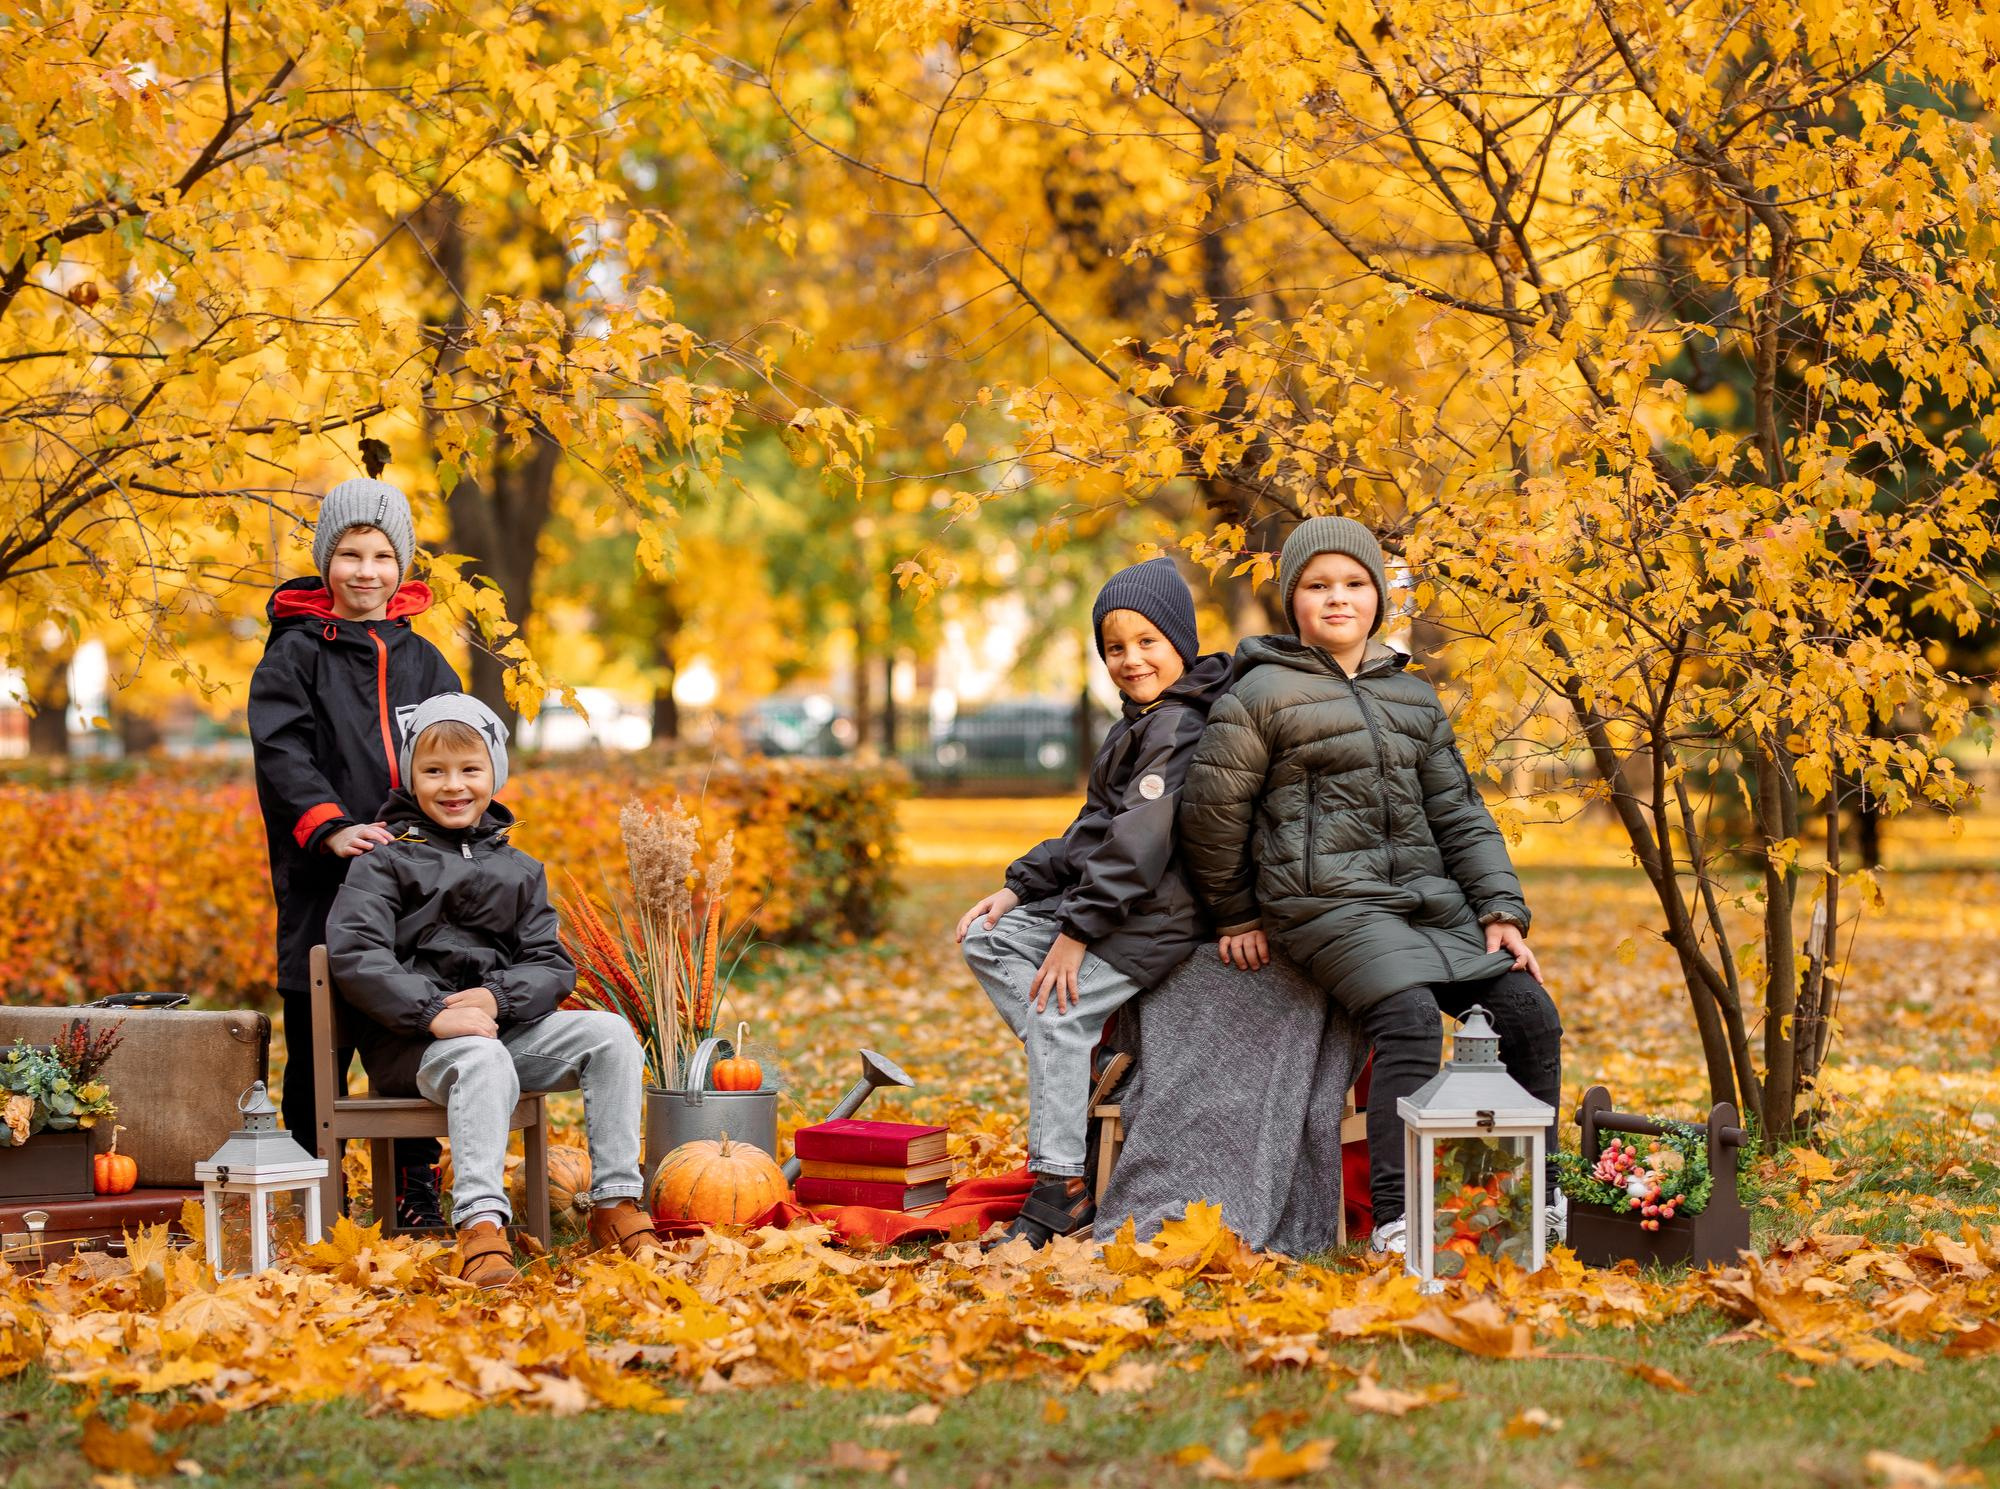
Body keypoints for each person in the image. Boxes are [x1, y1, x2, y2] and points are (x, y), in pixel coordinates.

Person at [1179, 516, 1563, 1256]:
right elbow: (1213, 812)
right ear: (1292, 600)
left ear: (1379, 598)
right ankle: (1397, 1216)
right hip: (1324, 902)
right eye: (1318, 585)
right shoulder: (1260, 693)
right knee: (1411, 1017)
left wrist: (1499, 910)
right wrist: (1234, 913)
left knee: (1528, 1013)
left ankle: (1534, 1198)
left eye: (1355, 583)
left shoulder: (1411, 696)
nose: (1338, 598)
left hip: (1428, 902)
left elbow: (1458, 812)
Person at [325, 695, 660, 1285]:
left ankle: (614, 1203)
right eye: (434, 770)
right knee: (481, 1057)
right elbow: (358, 954)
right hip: (416, 1045)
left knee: (610, 1035)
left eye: (469, 769)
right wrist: (432, 1012)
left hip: (502, 1031)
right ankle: (480, 1225)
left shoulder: (520, 869)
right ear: (411, 776)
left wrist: (496, 999)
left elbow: (549, 963)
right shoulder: (384, 861)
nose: (453, 785)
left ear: (495, 773)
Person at [957, 557, 1232, 1247]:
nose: (1131, 659)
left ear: (1180, 641)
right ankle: (1083, 1059)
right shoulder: (1137, 723)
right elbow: (1091, 832)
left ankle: (1061, 1188)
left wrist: (1074, 934)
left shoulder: (1180, 727)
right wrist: (1019, 886)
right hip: (1111, 905)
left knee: (1057, 1014)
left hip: (1155, 917)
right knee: (986, 937)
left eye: (1147, 641)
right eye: (1114, 647)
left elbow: (1136, 845)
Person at [248, 477, 459, 1229]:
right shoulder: (295, 654)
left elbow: (455, 753)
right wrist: (331, 825)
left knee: (408, 1032)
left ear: (401, 565)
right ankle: (314, 1192)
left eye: (380, 556)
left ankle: (413, 1186)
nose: (365, 571)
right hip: (324, 882)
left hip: (413, 888)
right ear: (326, 561)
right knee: (319, 1044)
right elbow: (282, 754)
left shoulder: (426, 662)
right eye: (349, 554)